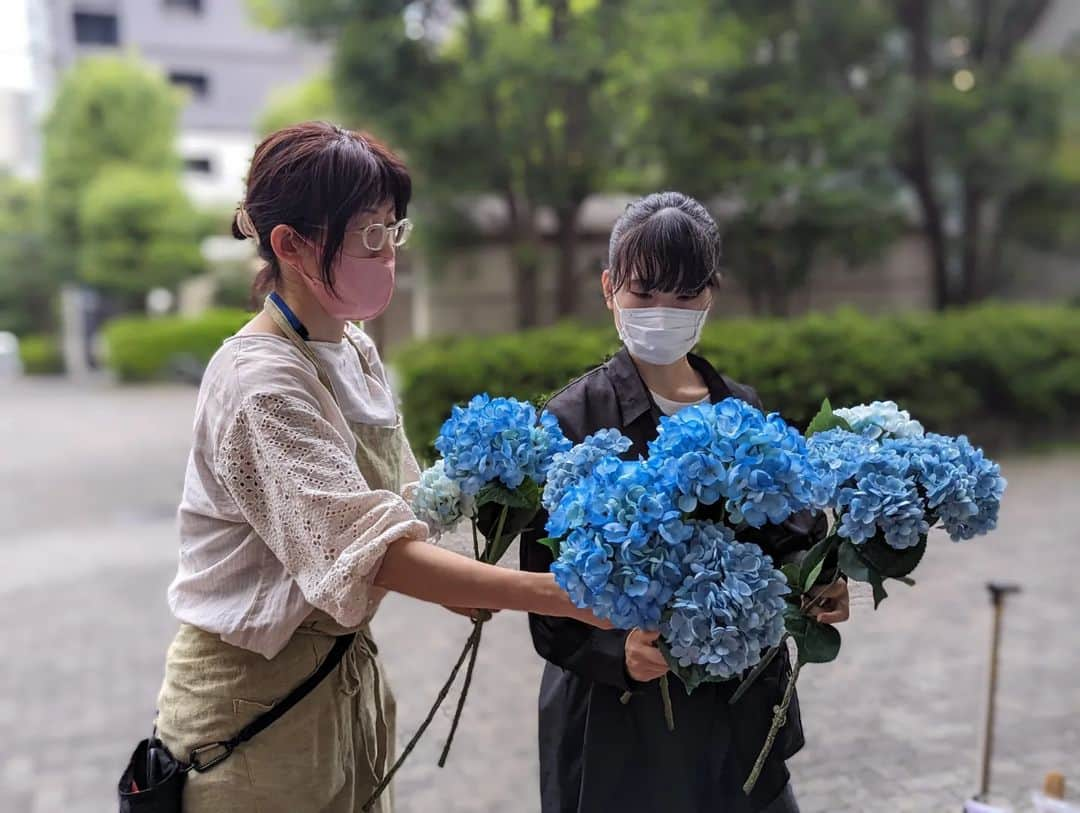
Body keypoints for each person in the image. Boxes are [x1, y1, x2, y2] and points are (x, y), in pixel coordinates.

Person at [154, 122, 606, 812]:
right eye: (368, 234)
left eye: (394, 230)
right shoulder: (259, 382)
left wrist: (468, 567)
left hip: (339, 683)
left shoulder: (353, 348)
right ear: (291, 245)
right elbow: (373, 554)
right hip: (248, 706)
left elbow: (406, 498)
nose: (388, 252)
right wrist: (559, 592)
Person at [521, 192, 851, 813]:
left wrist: (820, 580)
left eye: (682, 294)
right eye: (643, 294)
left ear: (710, 293)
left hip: (740, 713)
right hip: (618, 726)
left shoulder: (741, 409)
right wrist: (616, 652)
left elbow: (790, 537)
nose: (661, 312)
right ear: (609, 289)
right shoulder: (572, 421)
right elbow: (543, 600)